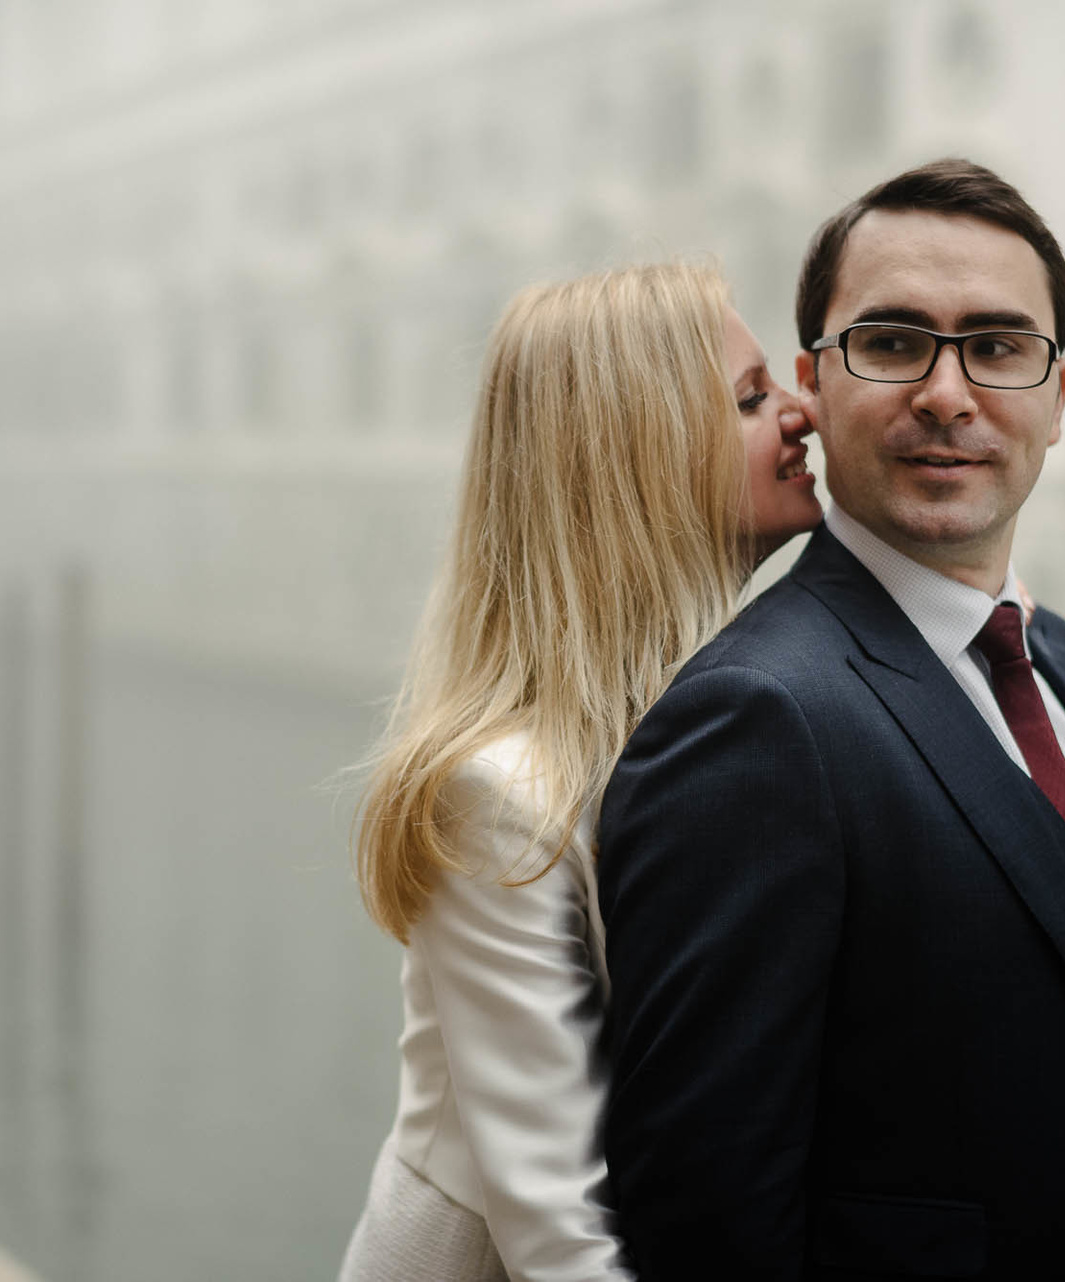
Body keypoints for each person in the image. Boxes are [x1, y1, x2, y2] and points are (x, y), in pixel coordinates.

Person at [597, 159, 1065, 1281]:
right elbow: (706, 1213)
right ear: (814, 384)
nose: (946, 393)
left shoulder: (1057, 653)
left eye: (998, 346)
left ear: (1059, 397)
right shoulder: (754, 717)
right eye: (891, 343)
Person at [340, 261, 825, 1281]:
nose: (804, 413)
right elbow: (556, 1232)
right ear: (642, 454)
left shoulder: (715, 714)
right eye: (751, 399)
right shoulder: (498, 795)